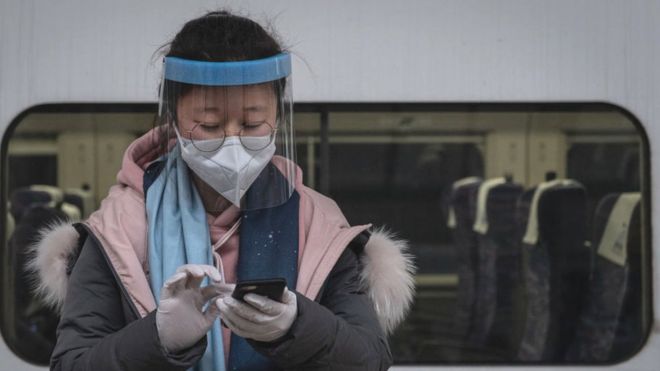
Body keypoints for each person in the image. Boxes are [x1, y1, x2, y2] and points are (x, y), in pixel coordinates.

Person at [30, 10, 415, 371]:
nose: (232, 142)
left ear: (279, 118)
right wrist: (161, 338)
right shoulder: (118, 229)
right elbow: (71, 363)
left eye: (252, 124)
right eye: (209, 125)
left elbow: (370, 358)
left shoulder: (318, 224)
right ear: (175, 122)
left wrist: (297, 325)